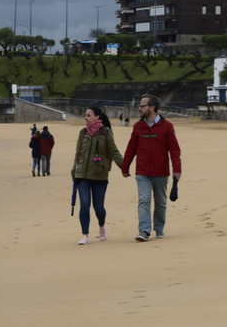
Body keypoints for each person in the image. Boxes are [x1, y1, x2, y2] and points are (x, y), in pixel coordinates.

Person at [121, 94, 182, 241]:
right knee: (144, 200)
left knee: (160, 202)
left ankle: (159, 228)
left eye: (142, 106)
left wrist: (177, 169)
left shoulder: (167, 126)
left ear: (152, 107)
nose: (140, 108)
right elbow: (131, 148)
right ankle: (144, 231)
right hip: (142, 172)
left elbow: (174, 150)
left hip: (161, 172)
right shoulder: (138, 126)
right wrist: (125, 167)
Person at [71, 106, 125, 245]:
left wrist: (124, 167)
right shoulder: (83, 133)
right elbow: (78, 153)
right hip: (82, 175)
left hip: (99, 175)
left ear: (97, 117)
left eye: (88, 115)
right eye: (85, 115)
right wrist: (74, 170)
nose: (86, 117)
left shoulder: (106, 133)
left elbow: (114, 152)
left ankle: (101, 225)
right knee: (84, 204)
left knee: (99, 207)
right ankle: (85, 234)